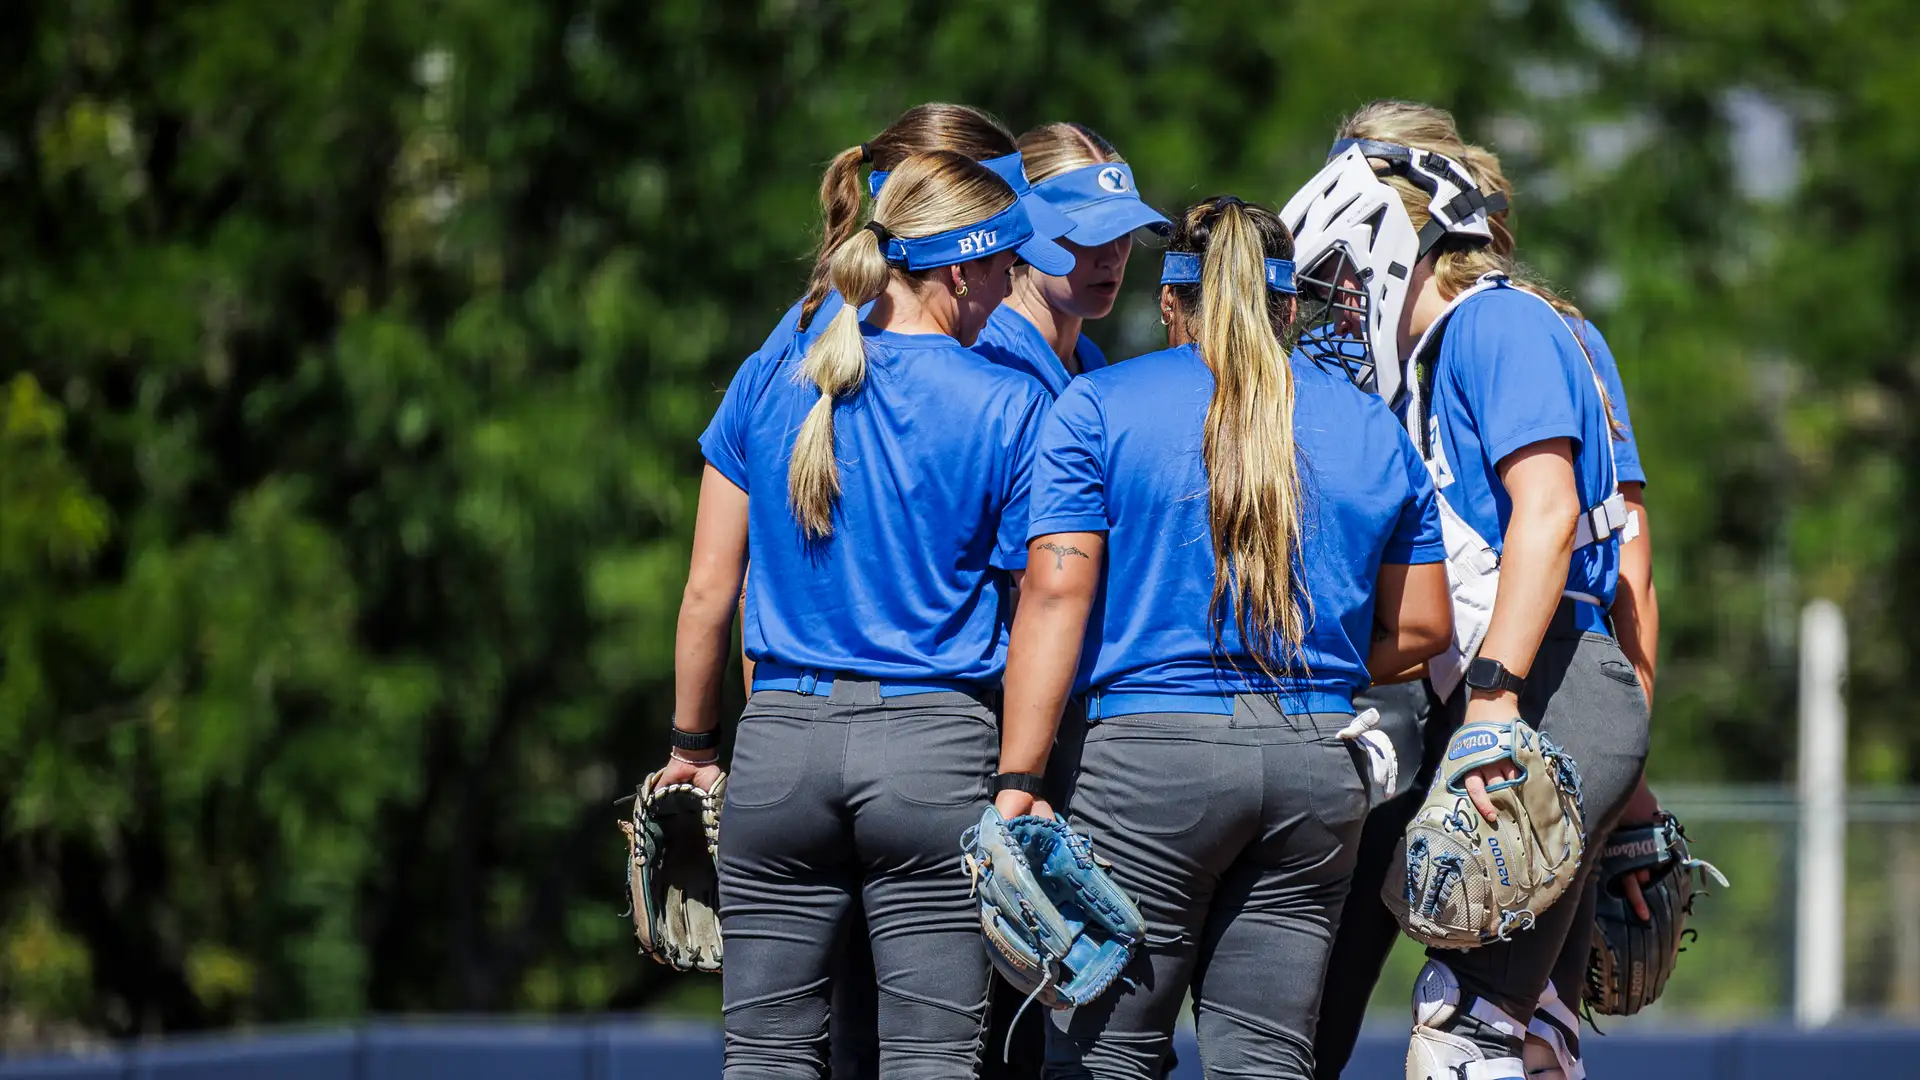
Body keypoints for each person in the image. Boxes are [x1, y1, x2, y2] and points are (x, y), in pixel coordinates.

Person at [997, 194, 1452, 1080]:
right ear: (1290, 307)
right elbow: (1427, 625)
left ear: (1171, 303)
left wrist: (1018, 778)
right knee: (1267, 1060)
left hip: (1144, 764)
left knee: (1106, 1056)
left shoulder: (1097, 406)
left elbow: (1054, 599)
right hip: (1317, 764)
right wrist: (1309, 657)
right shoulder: (1369, 426)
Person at [658, 150, 1071, 1080]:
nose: (1012, 293)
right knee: (932, 1063)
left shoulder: (772, 378)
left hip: (779, 746)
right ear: (961, 269)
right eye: (1007, 269)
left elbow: (706, 594)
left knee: (763, 1058)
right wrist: (1022, 770)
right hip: (933, 748)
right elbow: (1041, 599)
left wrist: (693, 745)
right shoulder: (1009, 403)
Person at [1280, 100, 1652, 1080]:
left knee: (1469, 1033)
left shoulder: (1499, 325)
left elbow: (1549, 513)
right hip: (1479, 699)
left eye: (1346, 273)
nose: (1342, 300)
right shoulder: (1431, 360)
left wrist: (1490, 705)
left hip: (1543, 690)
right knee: (1510, 1037)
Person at [972, 122, 1171, 397]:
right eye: (1094, 234)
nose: (1112, 258)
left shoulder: (1088, 357)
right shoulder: (989, 358)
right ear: (1033, 224)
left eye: (1125, 232)